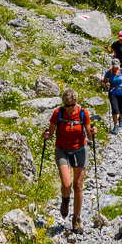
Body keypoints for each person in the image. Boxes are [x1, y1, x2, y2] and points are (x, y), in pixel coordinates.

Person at [42, 89, 97, 233]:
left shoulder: (83, 113)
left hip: (79, 149)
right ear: (64, 104)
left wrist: (92, 133)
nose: (71, 108)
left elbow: (90, 137)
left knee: (78, 186)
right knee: (66, 184)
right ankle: (65, 200)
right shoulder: (58, 113)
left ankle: (76, 219)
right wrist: (46, 135)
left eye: (73, 105)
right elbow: (50, 133)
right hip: (62, 149)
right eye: (68, 106)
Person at [102, 58, 122, 134]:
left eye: (117, 66)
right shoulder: (109, 72)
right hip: (113, 92)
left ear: (119, 65)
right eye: (114, 66)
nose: (115, 68)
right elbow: (103, 82)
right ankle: (115, 125)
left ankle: (120, 118)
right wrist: (105, 84)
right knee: (115, 109)